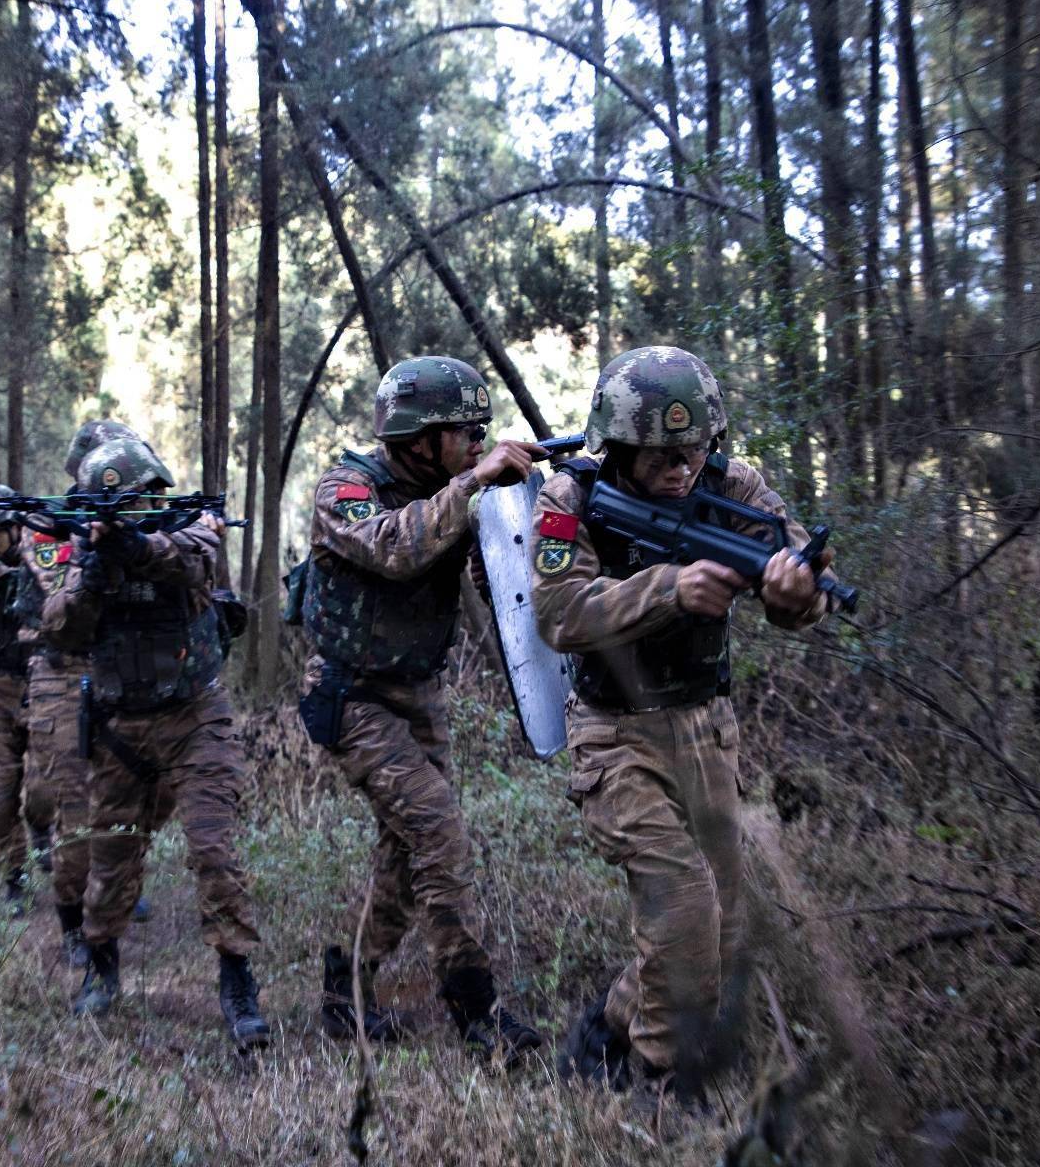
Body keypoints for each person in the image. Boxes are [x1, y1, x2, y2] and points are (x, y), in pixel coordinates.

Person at [529, 346, 838, 1105]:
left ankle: (604, 1032)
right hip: (614, 730)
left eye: (693, 451)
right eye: (661, 456)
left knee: (720, 920)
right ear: (621, 447)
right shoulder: (570, 497)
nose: (680, 470)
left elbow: (801, 583)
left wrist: (799, 591)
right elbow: (558, 612)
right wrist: (668, 589)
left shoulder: (736, 485)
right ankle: (663, 1087)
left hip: (705, 726)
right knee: (684, 904)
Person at [294, 355, 544, 1066]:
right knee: (438, 833)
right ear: (415, 436)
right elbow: (392, 547)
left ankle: (346, 992)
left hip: (417, 693)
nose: (475, 442)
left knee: (404, 861)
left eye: (479, 432)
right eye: (462, 431)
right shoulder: (347, 487)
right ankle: (477, 1011)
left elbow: (500, 580)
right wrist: (473, 484)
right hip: (351, 697)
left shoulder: (454, 492)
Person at [39, 437, 269, 1050]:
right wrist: (94, 572)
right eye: (122, 504)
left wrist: (136, 545)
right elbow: (58, 627)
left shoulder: (193, 526)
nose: (135, 508)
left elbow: (192, 559)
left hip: (195, 718)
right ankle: (103, 968)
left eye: (142, 498)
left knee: (213, 849)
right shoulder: (84, 550)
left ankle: (237, 982)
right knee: (110, 858)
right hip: (118, 727)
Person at [35, 420, 158, 964]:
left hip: (133, 675)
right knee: (75, 806)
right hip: (65, 675)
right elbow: (60, 599)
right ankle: (72, 923)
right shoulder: (50, 525)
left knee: (141, 802)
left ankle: (118, 887)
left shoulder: (149, 517)